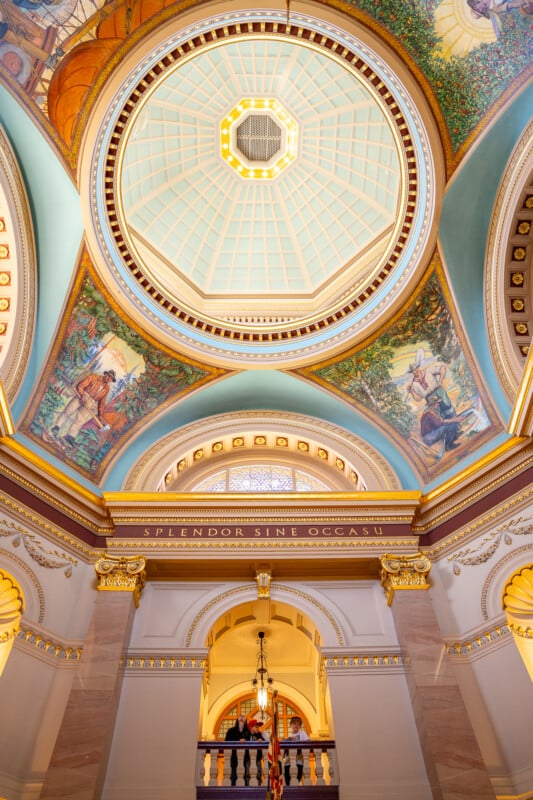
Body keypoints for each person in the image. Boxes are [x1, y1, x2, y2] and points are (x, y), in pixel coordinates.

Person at [51, 369, 116, 446]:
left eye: (111, 378)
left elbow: (101, 403)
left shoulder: (106, 389)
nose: (108, 378)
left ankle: (70, 436)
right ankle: (57, 427)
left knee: (80, 419)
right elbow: (81, 385)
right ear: (105, 374)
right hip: (82, 395)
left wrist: (100, 415)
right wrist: (82, 395)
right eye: (108, 376)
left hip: (90, 402)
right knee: (68, 411)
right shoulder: (94, 377)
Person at [224, 715, 251, 786]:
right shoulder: (231, 731)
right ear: (237, 720)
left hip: (245, 759)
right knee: (233, 777)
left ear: (245, 722)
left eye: (243, 719)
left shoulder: (248, 732)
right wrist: (238, 741)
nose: (242, 718)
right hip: (233, 758)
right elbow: (226, 742)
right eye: (240, 718)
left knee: (245, 778)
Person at [283, 715, 309, 786]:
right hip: (288, 763)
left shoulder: (302, 733)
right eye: (294, 723)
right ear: (291, 725)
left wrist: (297, 741)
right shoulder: (289, 737)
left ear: (300, 726)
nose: (296, 725)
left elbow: (308, 742)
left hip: (298, 762)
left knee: (297, 780)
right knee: (287, 781)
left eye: (298, 724)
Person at [247, 719, 267, 785]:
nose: (257, 728)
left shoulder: (259, 734)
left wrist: (261, 739)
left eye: (258, 727)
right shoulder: (246, 734)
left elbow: (265, 741)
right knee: (248, 773)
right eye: (256, 727)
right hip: (248, 758)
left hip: (257, 758)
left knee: (258, 773)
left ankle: (258, 785)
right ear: (250, 727)